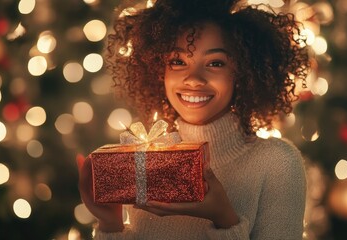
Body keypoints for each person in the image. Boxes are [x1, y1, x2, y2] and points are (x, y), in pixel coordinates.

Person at [77, 0, 310, 239]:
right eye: (178, 61)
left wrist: (224, 219)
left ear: (242, 73)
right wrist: (110, 224)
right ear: (160, 70)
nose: (194, 79)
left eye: (215, 63)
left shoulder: (278, 163)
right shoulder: (148, 162)